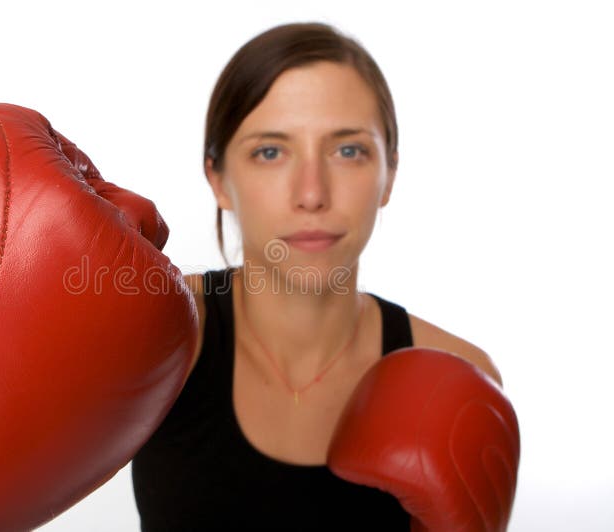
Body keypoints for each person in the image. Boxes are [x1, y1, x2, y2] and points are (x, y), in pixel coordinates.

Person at [130, 21, 505, 530]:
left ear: (389, 174)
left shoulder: (460, 374)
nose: (312, 193)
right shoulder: (158, 332)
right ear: (217, 179)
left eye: (348, 150)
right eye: (270, 151)